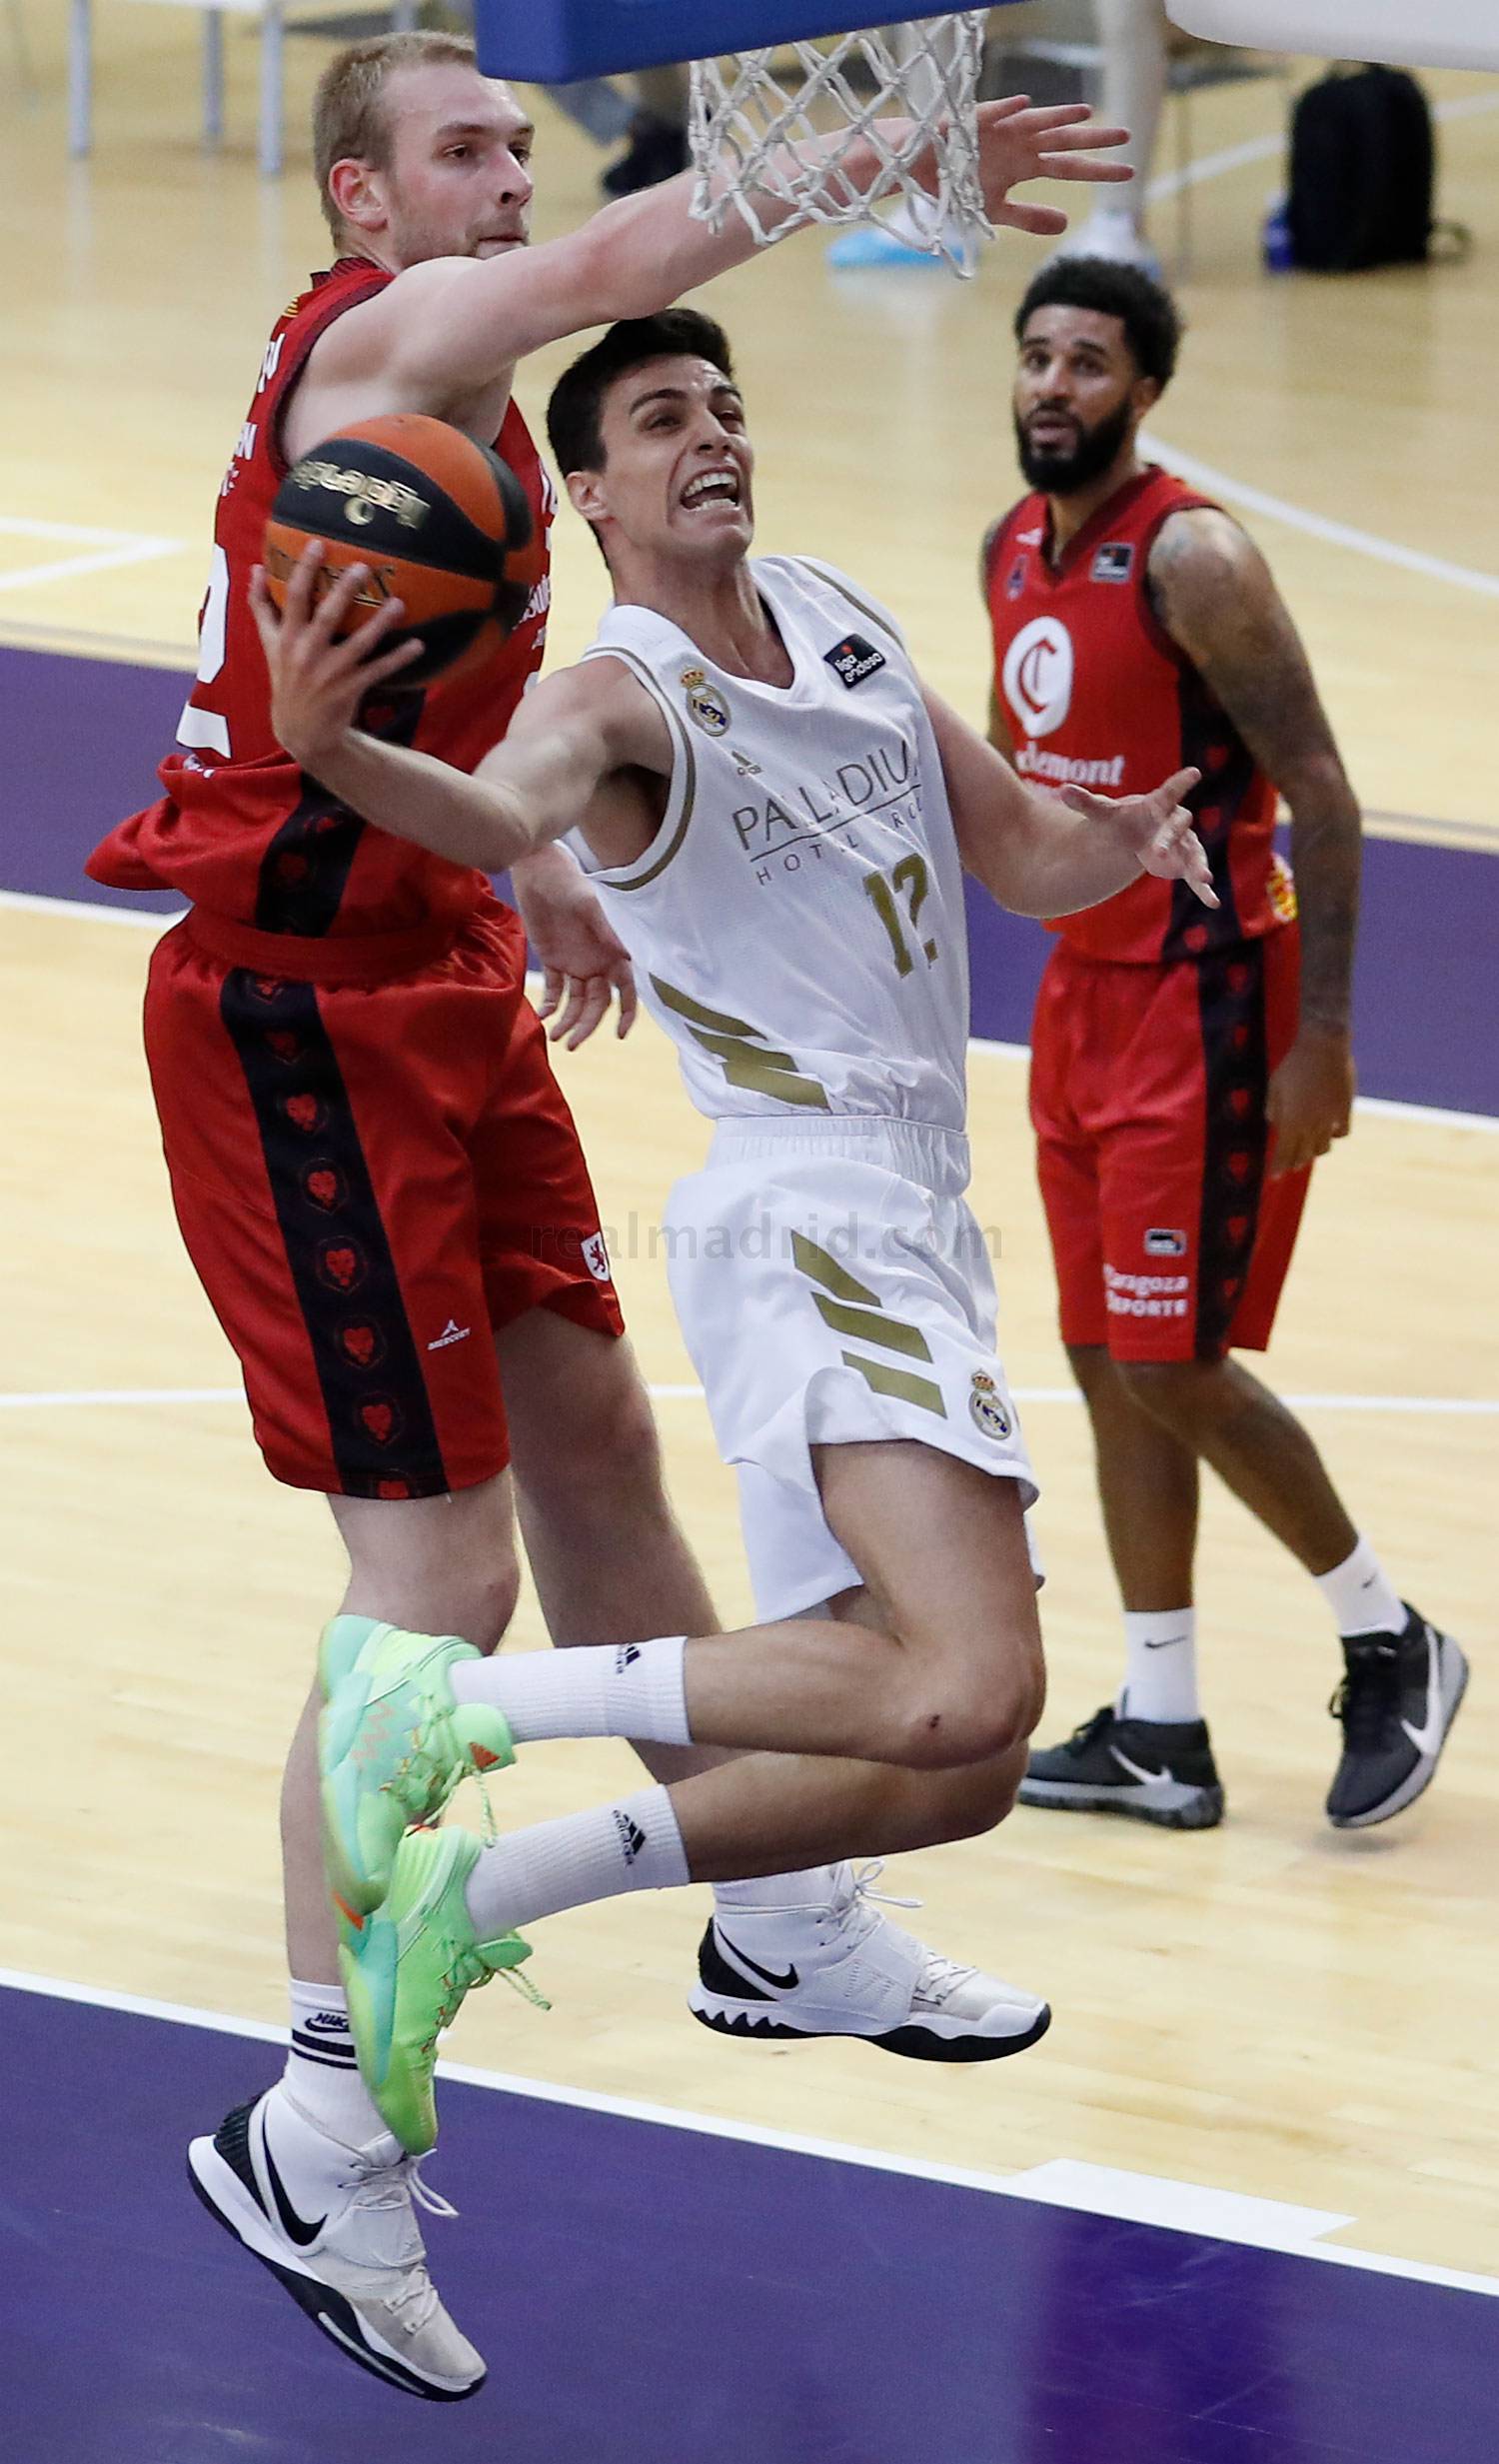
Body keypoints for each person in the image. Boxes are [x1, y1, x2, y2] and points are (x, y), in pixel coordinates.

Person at [82, 31, 1135, 2401]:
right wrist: (906, 152)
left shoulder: (467, 450)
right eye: (460, 151)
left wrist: (536, 851)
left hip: (440, 971)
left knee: (600, 1467)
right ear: (360, 201)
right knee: (432, 1585)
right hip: (294, 1021)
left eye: (512, 150)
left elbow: (477, 706)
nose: (504, 184)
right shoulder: (381, 344)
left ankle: (776, 1911)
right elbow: (630, 255)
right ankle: (316, 2121)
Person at [249, 306, 1215, 2183]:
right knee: (968, 1684)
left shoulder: (841, 612)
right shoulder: (615, 697)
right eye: (665, 418)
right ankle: (439, 1705)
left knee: (943, 1770)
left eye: (729, 405)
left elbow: (1017, 848)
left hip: (915, 1213)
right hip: (813, 1208)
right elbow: (487, 810)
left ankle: (587, 1909)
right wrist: (338, 749)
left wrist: (1130, 834)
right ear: (591, 489)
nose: (715, 436)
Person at [977, 256, 1465, 1836]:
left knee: (1173, 1357)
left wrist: (1325, 1033)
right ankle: (1162, 1725)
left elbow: (1320, 785)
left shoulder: (1191, 556)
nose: (1055, 384)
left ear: (1147, 392)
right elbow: (1021, 778)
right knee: (1098, 1356)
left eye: (1090, 362)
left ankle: (1391, 1634)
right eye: (1038, 356)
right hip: (1077, 1001)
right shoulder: (1008, 553)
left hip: (1206, 1003)